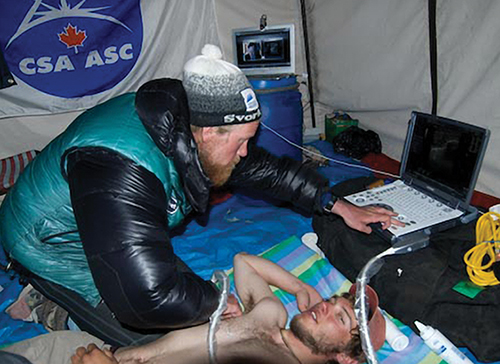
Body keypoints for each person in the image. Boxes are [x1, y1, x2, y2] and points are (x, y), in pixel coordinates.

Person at [0, 44, 399, 346]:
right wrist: (214, 301)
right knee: (156, 338)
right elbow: (144, 299)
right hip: (52, 241)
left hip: (102, 220)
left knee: (192, 305)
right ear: (210, 133)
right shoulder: (120, 170)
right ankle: (46, 300)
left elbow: (263, 169)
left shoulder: (191, 125)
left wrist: (338, 204)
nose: (246, 152)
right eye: (243, 142)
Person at [2, 253, 386, 364]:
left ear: (346, 359)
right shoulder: (272, 316)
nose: (324, 307)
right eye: (332, 301)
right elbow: (244, 263)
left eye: (341, 318)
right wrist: (299, 285)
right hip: (98, 352)